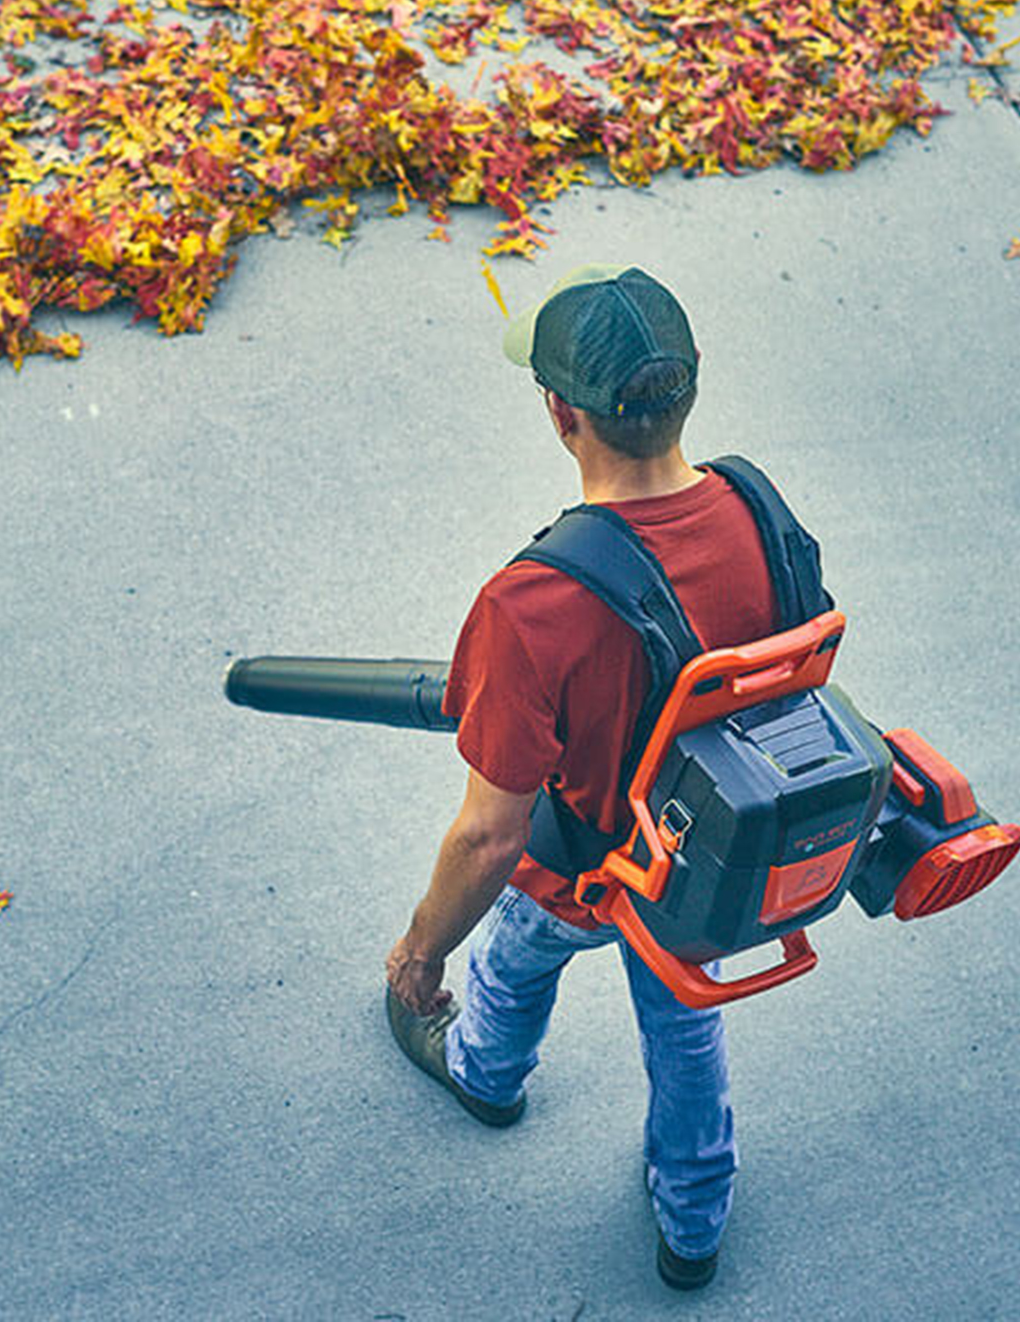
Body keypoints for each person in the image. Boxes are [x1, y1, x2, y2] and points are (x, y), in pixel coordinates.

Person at [383, 263, 803, 1293]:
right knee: (685, 1031)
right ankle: (694, 1222)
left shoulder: (531, 605)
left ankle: (484, 1074)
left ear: (561, 415)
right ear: (690, 387)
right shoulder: (760, 510)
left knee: (514, 959)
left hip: (588, 871)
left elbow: (491, 838)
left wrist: (417, 951)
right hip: (704, 874)